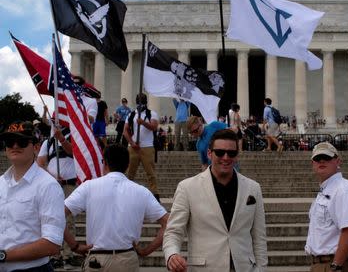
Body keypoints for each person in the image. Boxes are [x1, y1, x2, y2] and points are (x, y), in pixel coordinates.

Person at [163, 129, 267, 272]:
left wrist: (261, 268)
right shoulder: (187, 188)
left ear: (237, 156)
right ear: (209, 153)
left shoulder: (253, 188)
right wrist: (172, 255)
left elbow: (259, 236)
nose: (226, 157)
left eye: (231, 153)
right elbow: (173, 231)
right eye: (219, 152)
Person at [63, 144, 169, 272]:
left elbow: (57, 214)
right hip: (126, 259)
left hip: (97, 260)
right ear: (127, 165)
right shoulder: (142, 192)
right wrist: (146, 251)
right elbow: (167, 223)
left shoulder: (89, 187)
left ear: (105, 163)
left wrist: (74, 246)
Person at [0, 121, 65, 271]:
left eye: (22, 142)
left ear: (36, 147)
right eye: (10, 142)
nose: (15, 146)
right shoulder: (1, 183)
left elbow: (52, 244)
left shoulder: (48, 186)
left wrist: (3, 256)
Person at [305, 142, 348, 272]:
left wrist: (336, 266)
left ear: (338, 161)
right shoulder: (328, 190)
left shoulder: (343, 190)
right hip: (324, 263)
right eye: (317, 158)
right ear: (312, 164)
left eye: (327, 157)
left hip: (336, 264)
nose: (321, 160)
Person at [37, 125, 79, 269]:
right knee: (52, 219)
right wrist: (53, 177)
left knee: (68, 220)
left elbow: (75, 153)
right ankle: (55, 254)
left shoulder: (74, 137)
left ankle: (68, 255)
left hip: (69, 184)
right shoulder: (48, 142)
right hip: (53, 185)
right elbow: (40, 163)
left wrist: (61, 138)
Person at [123, 93, 160, 201]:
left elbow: (154, 127)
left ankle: (155, 195)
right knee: (130, 172)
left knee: (150, 173)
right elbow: (125, 131)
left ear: (145, 102)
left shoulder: (151, 114)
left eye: (142, 102)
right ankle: (126, 194)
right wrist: (132, 142)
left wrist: (143, 123)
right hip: (133, 147)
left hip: (147, 147)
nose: (140, 104)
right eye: (139, 101)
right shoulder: (131, 115)